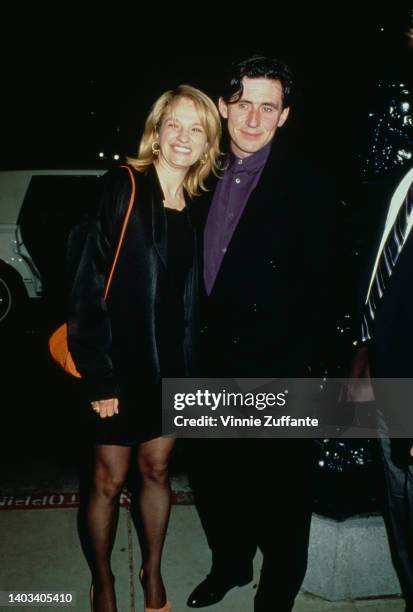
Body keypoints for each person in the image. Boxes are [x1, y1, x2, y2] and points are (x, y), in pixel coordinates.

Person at [186, 56, 338, 612]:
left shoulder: (310, 185)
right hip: (204, 366)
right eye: (243, 103)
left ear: (285, 115)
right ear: (224, 107)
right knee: (215, 483)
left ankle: (276, 594)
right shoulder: (195, 174)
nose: (253, 118)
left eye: (267, 106)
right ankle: (229, 566)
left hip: (278, 368)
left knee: (281, 496)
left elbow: (326, 288)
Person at [67, 85, 221, 612]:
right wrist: (99, 376)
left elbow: (192, 301)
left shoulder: (199, 205)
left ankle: (152, 571)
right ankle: (104, 581)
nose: (183, 136)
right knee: (108, 481)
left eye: (196, 128)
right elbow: (86, 284)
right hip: (118, 367)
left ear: (208, 142)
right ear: (156, 130)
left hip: (172, 369)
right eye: (174, 124)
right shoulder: (123, 185)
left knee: (157, 472)